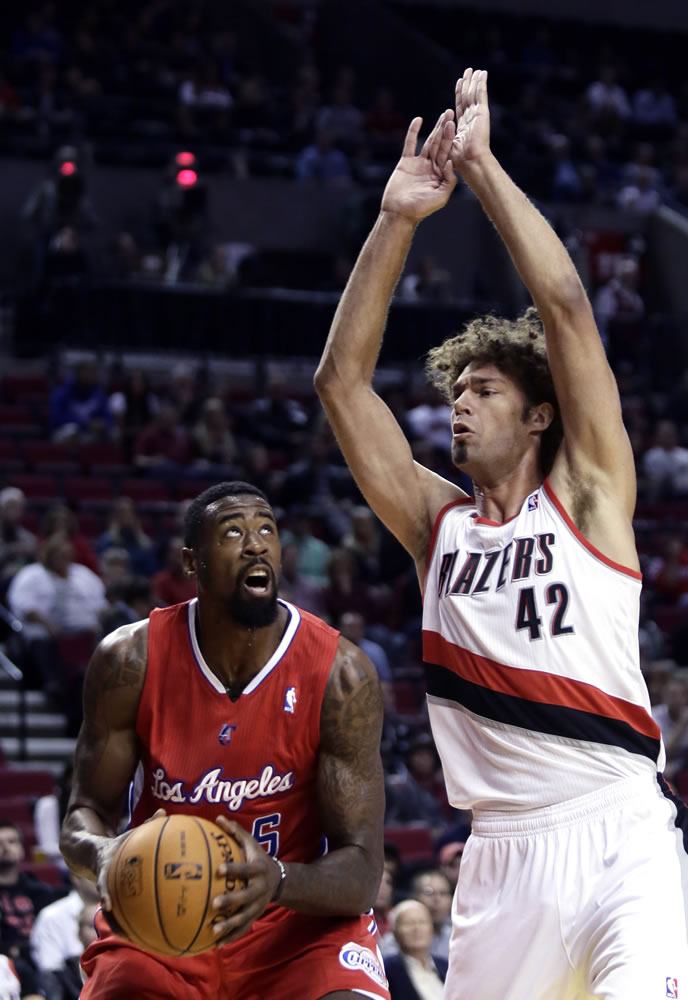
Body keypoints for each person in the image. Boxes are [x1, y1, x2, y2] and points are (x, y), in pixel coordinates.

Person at [315, 67, 688, 999]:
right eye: (455, 394)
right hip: (498, 858)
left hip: (618, 830)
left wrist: (480, 168)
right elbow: (340, 387)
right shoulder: (435, 525)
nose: (460, 408)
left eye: (484, 392)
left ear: (539, 418)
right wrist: (397, 219)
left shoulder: (592, 492)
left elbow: (565, 305)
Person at [60, 481, 390, 1000]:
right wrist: (105, 855)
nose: (256, 544)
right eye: (233, 531)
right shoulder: (129, 661)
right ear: (192, 562)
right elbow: (84, 813)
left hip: (296, 929)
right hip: (163, 920)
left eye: (267, 530)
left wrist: (276, 879)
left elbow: (363, 872)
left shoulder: (341, 675)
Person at [0, 821, 67, 1000]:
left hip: (43, 960)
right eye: (0, 843)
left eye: (11, 841)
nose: (5, 848)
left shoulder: (40, 891)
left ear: (22, 848)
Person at [383, 900, 447, 1000]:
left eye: (422, 922)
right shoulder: (386, 970)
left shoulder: (446, 966)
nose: (417, 928)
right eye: (408, 923)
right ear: (395, 932)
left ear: (432, 929)